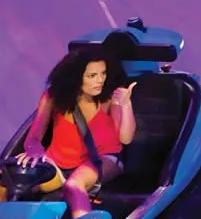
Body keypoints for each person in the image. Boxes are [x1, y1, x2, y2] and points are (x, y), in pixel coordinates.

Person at [13, 47, 136, 217]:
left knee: (74, 185)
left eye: (103, 73)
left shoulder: (109, 98)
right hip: (58, 163)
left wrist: (126, 105)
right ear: (75, 78)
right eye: (92, 76)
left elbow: (126, 138)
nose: (100, 80)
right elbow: (34, 137)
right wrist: (34, 149)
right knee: (9, 182)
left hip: (103, 158)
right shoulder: (52, 97)